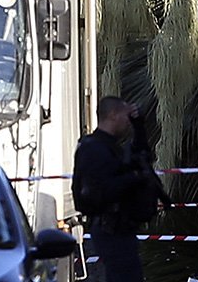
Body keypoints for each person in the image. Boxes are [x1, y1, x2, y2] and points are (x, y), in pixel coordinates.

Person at [72, 96, 169, 282]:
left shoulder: (111, 147)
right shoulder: (95, 149)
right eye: (125, 117)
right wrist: (132, 179)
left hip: (121, 229)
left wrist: (138, 126)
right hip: (111, 229)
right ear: (113, 115)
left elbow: (142, 155)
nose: (127, 122)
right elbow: (100, 191)